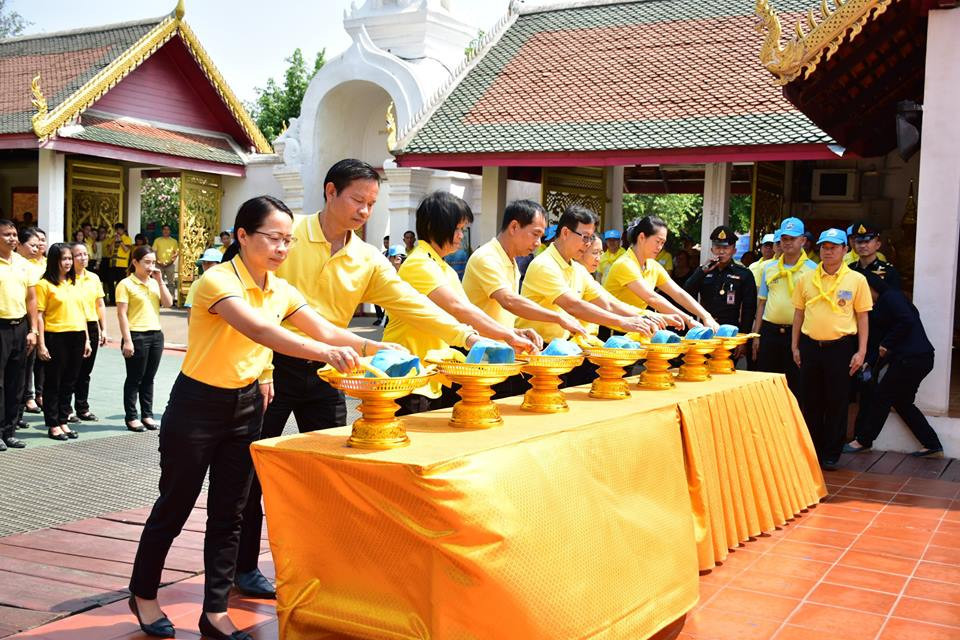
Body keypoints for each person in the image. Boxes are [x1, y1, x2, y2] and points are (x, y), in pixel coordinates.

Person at [128, 195, 398, 640]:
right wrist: (326, 352)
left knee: (231, 510)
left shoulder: (281, 288)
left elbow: (324, 327)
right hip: (197, 407)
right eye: (273, 238)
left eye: (288, 240)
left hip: (247, 405)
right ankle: (143, 594)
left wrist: (373, 347)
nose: (281, 248)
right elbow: (260, 330)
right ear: (242, 236)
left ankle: (215, 611)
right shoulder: (216, 281)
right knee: (175, 505)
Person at [237, 160, 483, 595]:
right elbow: (255, 306)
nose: (365, 211)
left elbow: (410, 303)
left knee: (335, 471)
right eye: (357, 200)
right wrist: (262, 367)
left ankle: (330, 565)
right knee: (251, 471)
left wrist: (468, 334)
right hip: (271, 368)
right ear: (330, 191)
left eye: (371, 204)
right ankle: (243, 568)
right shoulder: (287, 238)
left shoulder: (366, 258)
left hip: (333, 371)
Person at [385, 191, 538, 412]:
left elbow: (471, 314)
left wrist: (513, 333)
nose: (460, 236)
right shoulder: (419, 263)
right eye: (456, 229)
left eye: (462, 229)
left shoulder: (443, 267)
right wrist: (508, 335)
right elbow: (459, 309)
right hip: (408, 374)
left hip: (434, 375)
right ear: (433, 226)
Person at [519, 205, 660, 344]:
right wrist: (622, 321)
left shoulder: (577, 269)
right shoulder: (544, 265)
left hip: (559, 346)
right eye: (585, 237)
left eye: (591, 238)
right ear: (565, 233)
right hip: (534, 345)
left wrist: (648, 316)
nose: (587, 244)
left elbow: (608, 303)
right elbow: (573, 306)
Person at [791, 228, 871, 470]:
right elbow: (799, 313)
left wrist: (861, 351)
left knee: (837, 401)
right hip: (810, 346)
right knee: (811, 399)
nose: (828, 251)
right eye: (824, 247)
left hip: (841, 347)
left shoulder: (857, 280)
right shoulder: (806, 278)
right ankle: (813, 448)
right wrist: (794, 345)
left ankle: (831, 453)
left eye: (834, 247)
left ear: (845, 250)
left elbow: (863, 317)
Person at [843, 272, 943, 457]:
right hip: (915, 358)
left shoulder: (891, 297)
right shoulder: (880, 305)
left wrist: (887, 343)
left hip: (912, 358)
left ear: (870, 287)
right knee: (902, 401)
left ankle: (863, 441)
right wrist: (870, 362)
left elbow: (906, 321)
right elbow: (880, 340)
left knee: (882, 396)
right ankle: (932, 444)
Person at [463, 199, 586, 340]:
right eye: (535, 234)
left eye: (541, 236)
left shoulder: (511, 261)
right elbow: (509, 301)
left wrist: (514, 331)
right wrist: (558, 318)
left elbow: (495, 315)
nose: (538, 243)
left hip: (496, 347)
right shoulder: (486, 257)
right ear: (514, 227)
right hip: (475, 348)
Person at [602, 215, 716, 331]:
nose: (660, 247)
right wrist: (688, 320)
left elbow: (678, 293)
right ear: (642, 237)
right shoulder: (625, 264)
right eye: (657, 241)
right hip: (613, 329)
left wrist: (706, 316)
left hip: (636, 327)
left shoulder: (652, 265)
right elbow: (652, 298)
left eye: (662, 243)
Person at [752, 218, 816, 397]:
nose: (787, 243)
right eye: (784, 238)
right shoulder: (769, 268)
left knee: (795, 385)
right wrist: (757, 335)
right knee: (765, 383)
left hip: (798, 334)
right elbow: (762, 303)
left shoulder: (813, 269)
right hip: (770, 332)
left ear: (802, 241)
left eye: (793, 238)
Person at [35, 243, 91, 441]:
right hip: (55, 336)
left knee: (70, 380)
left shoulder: (74, 283)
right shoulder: (44, 285)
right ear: (54, 261)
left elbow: (82, 313)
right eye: (64, 259)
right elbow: (39, 316)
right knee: (54, 382)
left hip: (77, 335)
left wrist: (87, 340)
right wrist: (41, 344)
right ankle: (52, 424)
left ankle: (63, 420)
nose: (68, 262)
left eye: (69, 259)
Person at [116, 245, 173, 432]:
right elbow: (122, 314)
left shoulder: (155, 282)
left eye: (153, 262)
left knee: (149, 378)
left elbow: (168, 303)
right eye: (146, 262)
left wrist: (161, 280)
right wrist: (127, 340)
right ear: (135, 262)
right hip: (136, 334)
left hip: (156, 334)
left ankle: (147, 415)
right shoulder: (125, 284)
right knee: (135, 378)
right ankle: (131, 417)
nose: (150, 266)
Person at [684, 225, 757, 358]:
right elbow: (686, 292)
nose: (721, 252)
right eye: (718, 247)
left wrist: (743, 340)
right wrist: (701, 272)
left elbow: (749, 309)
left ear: (734, 250)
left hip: (730, 332)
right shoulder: (704, 270)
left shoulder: (744, 274)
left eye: (725, 248)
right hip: (706, 330)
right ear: (712, 249)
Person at [0, 219, 38, 451]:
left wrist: (33, 330)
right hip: (0, 327)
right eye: (7, 234)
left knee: (17, 382)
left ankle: (9, 431)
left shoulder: (24, 264)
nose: (13, 238)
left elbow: (31, 299)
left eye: (14, 234)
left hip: (20, 327)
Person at [69, 242, 107, 422]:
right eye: (78, 255)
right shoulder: (66, 279)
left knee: (86, 371)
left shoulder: (93, 278)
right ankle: (66, 408)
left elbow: (99, 304)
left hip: (91, 326)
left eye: (85, 254)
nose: (83, 258)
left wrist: (103, 329)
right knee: (71, 370)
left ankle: (82, 408)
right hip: (72, 326)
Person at [17, 228, 45, 417]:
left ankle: (27, 399)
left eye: (39, 244)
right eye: (32, 245)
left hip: (32, 320)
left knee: (29, 364)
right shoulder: (17, 265)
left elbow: (32, 299)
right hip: (14, 320)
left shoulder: (32, 267)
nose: (36, 248)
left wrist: (34, 328)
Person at [184, 248, 223, 323]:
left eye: (209, 262)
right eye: (204, 262)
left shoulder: (228, 282)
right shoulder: (196, 284)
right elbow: (190, 308)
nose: (206, 265)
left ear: (220, 264)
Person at [152, 225, 180, 302]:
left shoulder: (174, 241)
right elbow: (154, 252)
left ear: (170, 231)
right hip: (158, 264)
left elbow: (176, 253)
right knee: (158, 282)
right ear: (162, 231)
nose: (166, 231)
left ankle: (171, 299)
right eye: (164, 229)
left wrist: (171, 262)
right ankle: (158, 299)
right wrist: (157, 261)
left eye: (168, 229)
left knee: (171, 283)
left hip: (170, 264)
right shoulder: (157, 240)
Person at [110, 223, 133, 305]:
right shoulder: (113, 238)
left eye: (119, 229)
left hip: (122, 264)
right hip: (113, 263)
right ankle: (112, 300)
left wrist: (120, 241)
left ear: (123, 230)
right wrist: (114, 241)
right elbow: (110, 250)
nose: (118, 231)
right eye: (116, 229)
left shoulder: (127, 239)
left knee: (120, 283)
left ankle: (120, 300)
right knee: (111, 282)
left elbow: (126, 250)